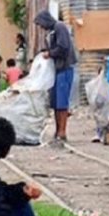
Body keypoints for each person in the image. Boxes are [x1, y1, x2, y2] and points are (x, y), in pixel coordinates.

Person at [34, 11, 77, 145]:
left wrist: (50, 54)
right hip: (57, 70)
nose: (42, 27)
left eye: (41, 24)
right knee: (56, 102)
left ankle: (62, 132)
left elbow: (63, 48)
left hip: (64, 68)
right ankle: (58, 131)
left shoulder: (60, 27)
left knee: (62, 102)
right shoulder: (52, 31)